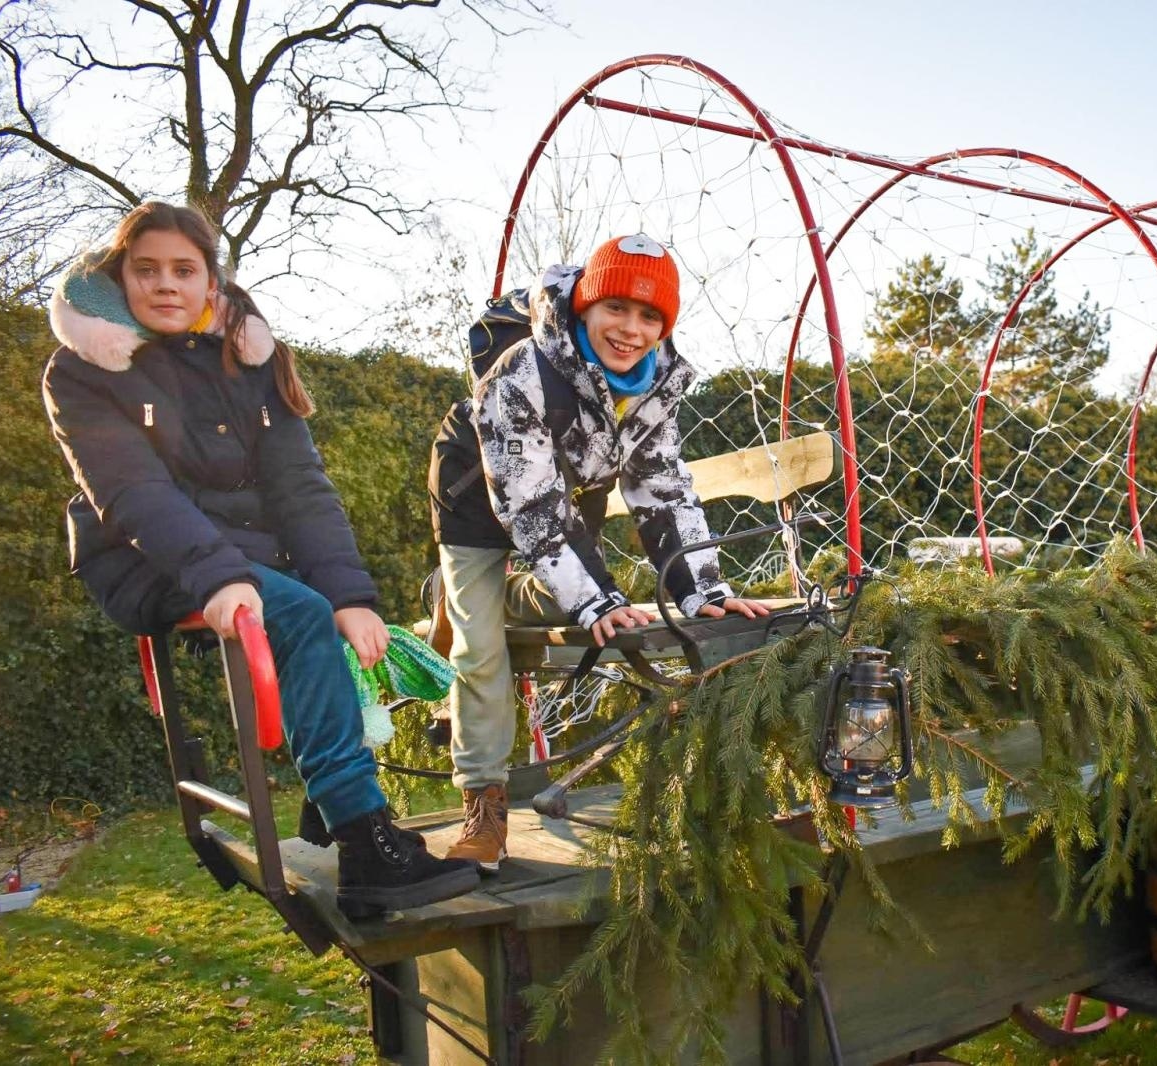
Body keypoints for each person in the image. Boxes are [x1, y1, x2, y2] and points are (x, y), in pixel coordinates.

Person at [42, 201, 479, 919]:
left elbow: (299, 486)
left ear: (211, 283)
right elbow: (131, 491)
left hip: (248, 551)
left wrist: (351, 594)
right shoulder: (83, 370)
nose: (165, 285)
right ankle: (367, 846)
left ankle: (329, 803)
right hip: (143, 554)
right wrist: (219, 580)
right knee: (300, 613)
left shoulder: (248, 360)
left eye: (184, 270)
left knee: (331, 615)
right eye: (145, 269)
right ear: (121, 278)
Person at [433, 234, 768, 870]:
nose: (631, 330)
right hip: (478, 494)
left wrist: (705, 589)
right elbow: (528, 505)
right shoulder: (522, 373)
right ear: (585, 304)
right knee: (481, 644)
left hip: (569, 486)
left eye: (650, 316)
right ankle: (484, 802)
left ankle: (471, 590)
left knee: (558, 596)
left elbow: (661, 485)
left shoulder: (657, 382)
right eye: (616, 307)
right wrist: (596, 598)